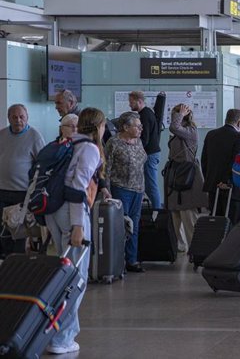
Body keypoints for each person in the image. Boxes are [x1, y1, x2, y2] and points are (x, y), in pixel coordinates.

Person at [41, 107, 105, 355]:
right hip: (72, 214)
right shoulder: (89, 148)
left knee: (64, 274)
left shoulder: (67, 144)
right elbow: (78, 187)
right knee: (75, 279)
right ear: (98, 126)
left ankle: (56, 332)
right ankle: (62, 338)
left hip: (54, 212)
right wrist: (79, 225)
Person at [0, 104, 46, 258]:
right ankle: (5, 259)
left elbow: (42, 164)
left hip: (22, 192)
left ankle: (18, 260)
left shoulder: (35, 136)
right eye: (14, 117)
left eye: (21, 117)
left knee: (19, 230)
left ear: (27, 118)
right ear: (9, 118)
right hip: (2, 190)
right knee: (3, 228)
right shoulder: (2, 134)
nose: (18, 120)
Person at [104, 111, 148, 273]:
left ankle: (132, 260)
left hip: (138, 188)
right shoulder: (113, 143)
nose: (140, 129)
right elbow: (106, 168)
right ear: (125, 127)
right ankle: (116, 260)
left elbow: (142, 164)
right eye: (137, 126)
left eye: (140, 126)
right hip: (120, 188)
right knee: (121, 226)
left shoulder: (138, 142)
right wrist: (106, 189)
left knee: (134, 226)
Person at [165, 104, 207, 254]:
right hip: (176, 174)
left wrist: (180, 114)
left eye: (175, 115)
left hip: (187, 176)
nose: (173, 118)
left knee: (188, 214)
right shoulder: (180, 133)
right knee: (175, 212)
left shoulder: (191, 131)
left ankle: (195, 248)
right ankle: (180, 246)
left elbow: (174, 127)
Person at [201, 109, 240, 224]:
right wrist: (227, 181)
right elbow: (236, 163)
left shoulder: (211, 135)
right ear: (239, 122)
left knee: (216, 225)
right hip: (232, 190)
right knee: (232, 226)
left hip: (213, 187)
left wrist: (211, 179)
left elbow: (204, 161)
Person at [128, 91, 162, 210]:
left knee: (151, 185)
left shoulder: (144, 115)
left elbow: (144, 139)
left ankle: (158, 212)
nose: (129, 105)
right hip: (151, 153)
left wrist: (131, 145)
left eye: (131, 102)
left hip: (150, 154)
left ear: (139, 101)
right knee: (148, 184)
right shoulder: (146, 113)